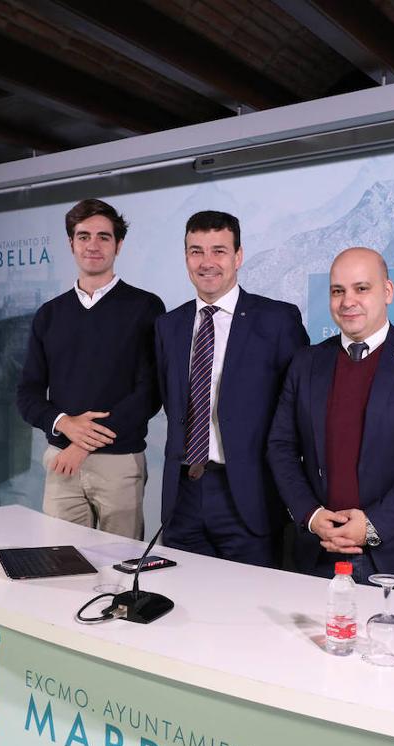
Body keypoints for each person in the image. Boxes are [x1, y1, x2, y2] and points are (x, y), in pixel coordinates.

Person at [267, 247, 394, 594]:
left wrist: (373, 524)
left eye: (361, 288)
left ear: (387, 291)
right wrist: (311, 515)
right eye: (337, 291)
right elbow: (281, 446)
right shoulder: (306, 363)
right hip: (320, 553)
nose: (348, 301)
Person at [154, 211, 308, 567]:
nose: (206, 262)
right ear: (186, 258)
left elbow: (299, 409)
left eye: (219, 251)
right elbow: (171, 400)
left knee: (250, 598)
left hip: (249, 496)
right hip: (183, 495)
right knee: (182, 594)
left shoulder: (277, 320)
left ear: (238, 256)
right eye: (196, 251)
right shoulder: (168, 325)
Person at [17, 199, 164, 539]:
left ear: (118, 245)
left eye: (103, 237)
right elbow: (28, 393)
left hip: (119, 461)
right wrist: (64, 423)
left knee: (121, 561)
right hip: (61, 462)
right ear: (71, 243)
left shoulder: (145, 307)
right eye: (83, 236)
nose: (93, 245)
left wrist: (83, 444)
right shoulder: (49, 314)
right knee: (60, 559)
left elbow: (150, 393)